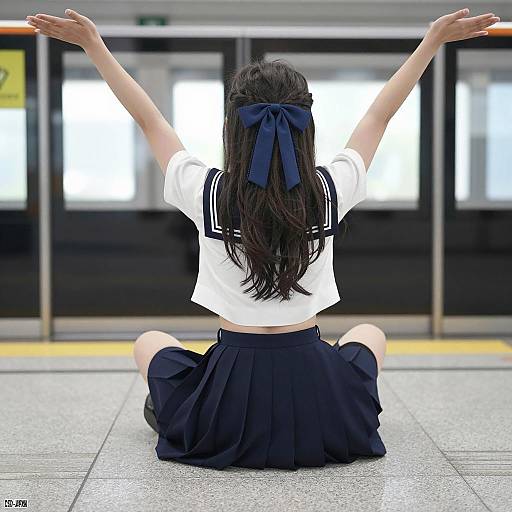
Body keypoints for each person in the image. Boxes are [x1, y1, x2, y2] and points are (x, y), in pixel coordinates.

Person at [27, 8, 499, 470]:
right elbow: (379, 116)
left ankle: (194, 416)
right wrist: (431, 42)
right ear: (305, 128)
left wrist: (95, 46)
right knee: (369, 335)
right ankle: (323, 410)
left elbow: (150, 119)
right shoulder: (329, 192)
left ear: (235, 128)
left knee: (148, 342)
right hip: (315, 385)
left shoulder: (206, 191)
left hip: (230, 388)